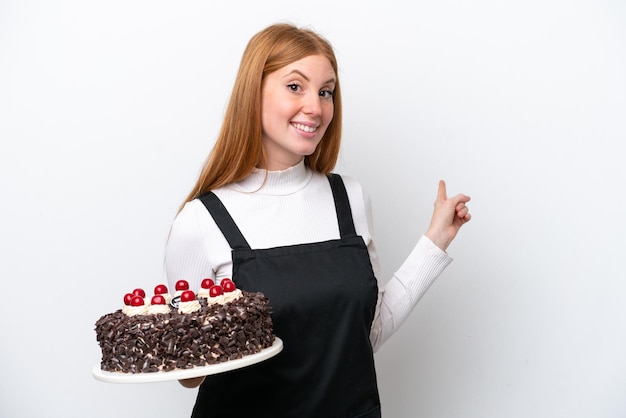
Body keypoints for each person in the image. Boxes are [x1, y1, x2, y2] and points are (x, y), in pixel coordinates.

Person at [165, 22, 471, 418]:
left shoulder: (350, 199)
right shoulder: (201, 221)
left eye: (326, 91)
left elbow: (365, 334)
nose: (316, 107)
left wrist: (435, 241)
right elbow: (189, 376)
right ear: (252, 94)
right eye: (296, 86)